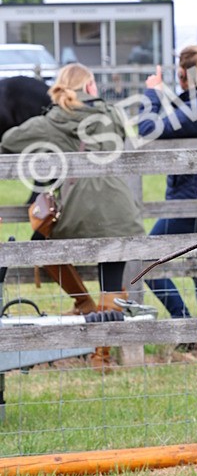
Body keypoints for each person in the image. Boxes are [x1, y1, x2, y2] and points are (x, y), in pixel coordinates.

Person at [0, 62, 144, 370]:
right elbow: (121, 135)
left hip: (74, 208)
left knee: (41, 246)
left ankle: (83, 302)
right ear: (90, 87)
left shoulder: (51, 121)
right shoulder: (113, 114)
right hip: (118, 209)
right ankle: (101, 356)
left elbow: (10, 140)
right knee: (112, 281)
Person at [138, 46, 197, 326]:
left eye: (180, 76)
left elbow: (147, 129)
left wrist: (153, 92)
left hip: (186, 198)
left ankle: (184, 321)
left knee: (148, 259)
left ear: (184, 75)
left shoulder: (194, 109)